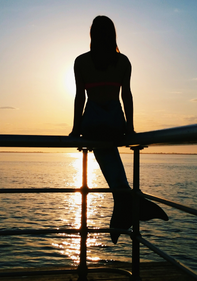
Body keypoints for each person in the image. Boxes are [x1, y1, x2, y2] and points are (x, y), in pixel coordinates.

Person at [70, 16, 168, 244]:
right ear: (113, 34)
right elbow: (126, 96)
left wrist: (75, 130)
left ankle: (124, 200)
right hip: (115, 124)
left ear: (92, 35)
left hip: (92, 124)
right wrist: (130, 129)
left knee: (100, 144)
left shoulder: (81, 62)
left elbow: (79, 97)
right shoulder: (123, 62)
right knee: (108, 145)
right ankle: (126, 199)